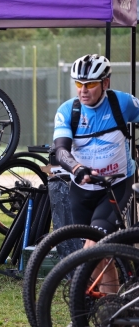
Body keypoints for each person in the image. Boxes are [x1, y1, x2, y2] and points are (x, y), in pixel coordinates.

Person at [53, 54, 139, 292]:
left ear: (105, 83)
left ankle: (77, 293)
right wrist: (76, 168)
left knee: (94, 245)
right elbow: (60, 150)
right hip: (81, 190)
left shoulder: (122, 104)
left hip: (117, 185)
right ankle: (110, 310)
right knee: (102, 256)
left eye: (90, 84)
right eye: (78, 84)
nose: (83, 90)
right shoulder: (68, 111)